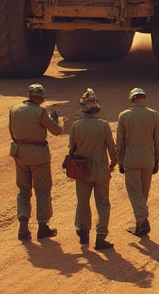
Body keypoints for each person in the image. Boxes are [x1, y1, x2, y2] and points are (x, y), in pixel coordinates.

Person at [8, 82, 65, 241]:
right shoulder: (40, 112)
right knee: (42, 190)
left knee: (23, 190)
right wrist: (55, 120)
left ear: (29, 95)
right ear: (42, 98)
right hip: (38, 156)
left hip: (19, 153)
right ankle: (43, 226)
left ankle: (23, 227)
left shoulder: (14, 109)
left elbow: (12, 132)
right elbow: (57, 131)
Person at [68, 88, 118, 250]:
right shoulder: (103, 125)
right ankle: (101, 236)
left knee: (83, 203)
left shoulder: (76, 125)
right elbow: (111, 147)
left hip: (82, 172)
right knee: (103, 205)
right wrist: (113, 163)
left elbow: (71, 150)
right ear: (96, 107)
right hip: (101, 172)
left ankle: (83, 232)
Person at [117, 87, 159, 237]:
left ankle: (142, 220)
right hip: (148, 158)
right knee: (144, 192)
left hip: (131, 159)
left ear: (131, 99)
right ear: (143, 99)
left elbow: (120, 142)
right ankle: (140, 222)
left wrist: (120, 161)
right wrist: (157, 160)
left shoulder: (124, 116)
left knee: (135, 192)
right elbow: (158, 141)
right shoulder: (153, 115)